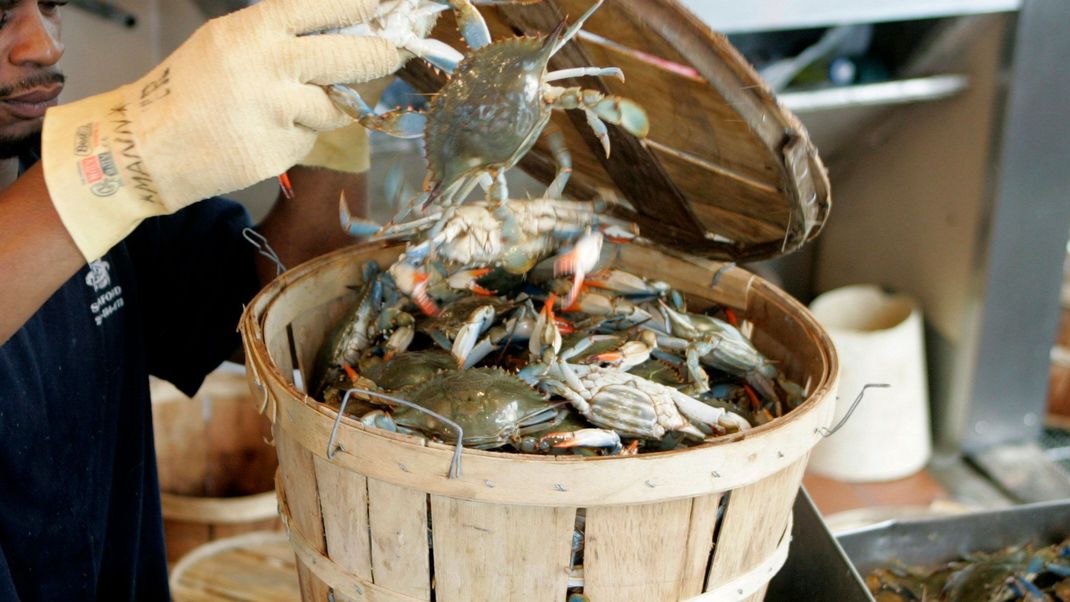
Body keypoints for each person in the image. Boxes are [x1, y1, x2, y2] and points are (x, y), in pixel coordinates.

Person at [0, 0, 399, 598]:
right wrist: (123, 152)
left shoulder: (49, 166)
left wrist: (335, 114)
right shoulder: (87, 177)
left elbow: (299, 307)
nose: (44, 45)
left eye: (51, 5)